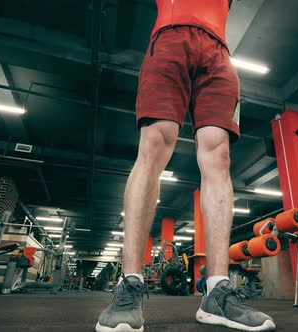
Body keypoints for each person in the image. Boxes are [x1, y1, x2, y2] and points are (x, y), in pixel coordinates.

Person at [96, 0, 276, 331]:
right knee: (154, 144)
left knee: (219, 156)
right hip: (170, 37)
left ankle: (217, 293)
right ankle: (130, 284)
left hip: (219, 54)